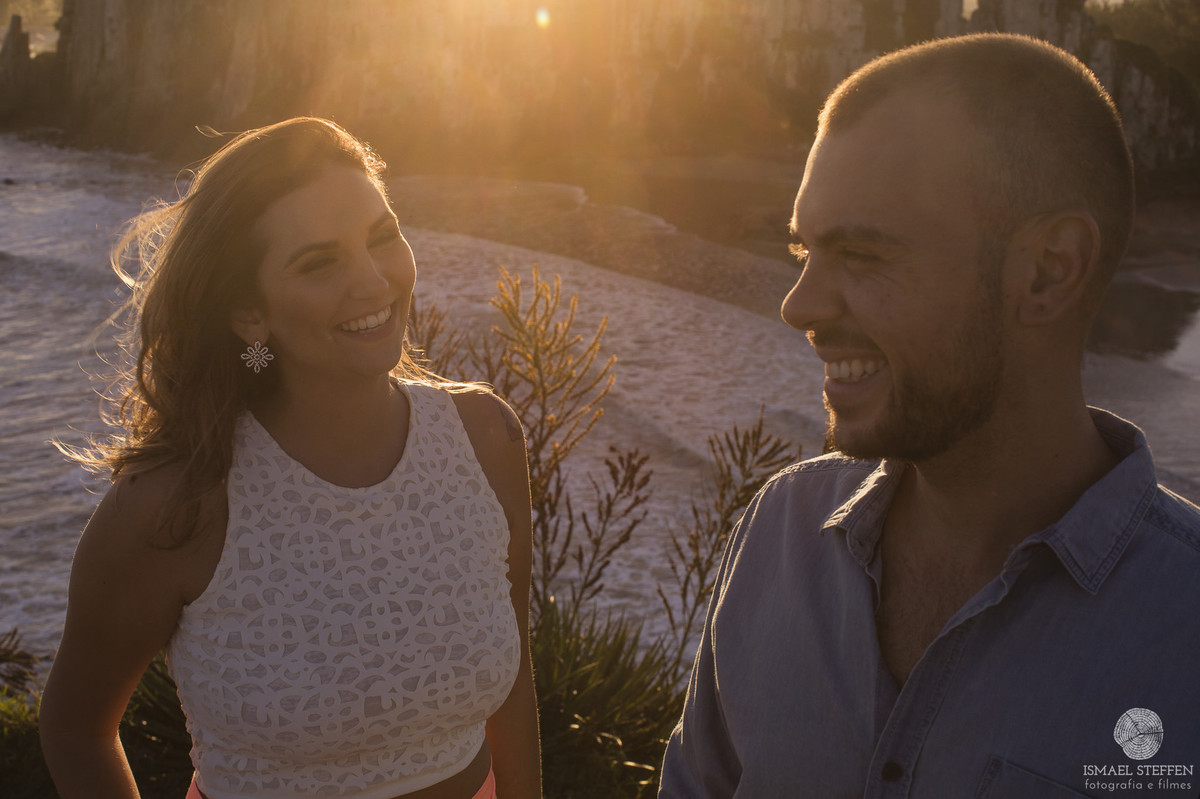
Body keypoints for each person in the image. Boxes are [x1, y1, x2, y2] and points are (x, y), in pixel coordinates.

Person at [660, 33, 1200, 798]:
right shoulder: (780, 534)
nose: (798, 305)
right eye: (801, 252)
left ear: (1048, 271)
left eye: (863, 255)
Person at [39, 117, 542, 799]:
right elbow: (77, 728)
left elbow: (512, 685)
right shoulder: (173, 506)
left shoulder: (486, 439)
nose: (372, 281)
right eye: (319, 261)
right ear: (250, 313)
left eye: (383, 235)